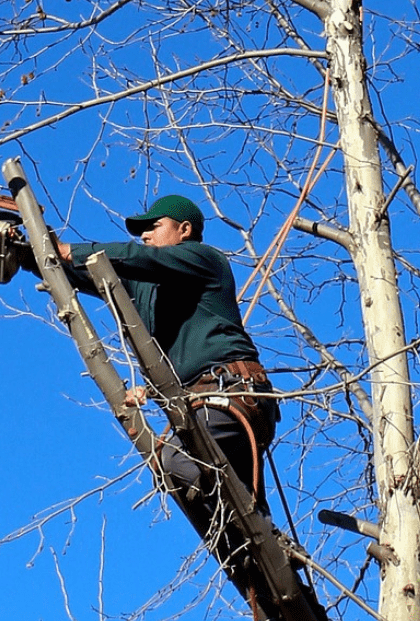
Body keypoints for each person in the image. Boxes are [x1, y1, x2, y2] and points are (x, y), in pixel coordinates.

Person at [37, 194, 282, 609]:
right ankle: (274, 589)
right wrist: (31, 249)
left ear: (184, 230)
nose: (146, 234)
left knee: (171, 461)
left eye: (155, 226)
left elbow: (135, 258)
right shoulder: (144, 285)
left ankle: (267, 542)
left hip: (230, 395)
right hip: (201, 409)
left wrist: (68, 249)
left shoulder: (202, 259)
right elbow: (86, 272)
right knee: (234, 538)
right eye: (142, 230)